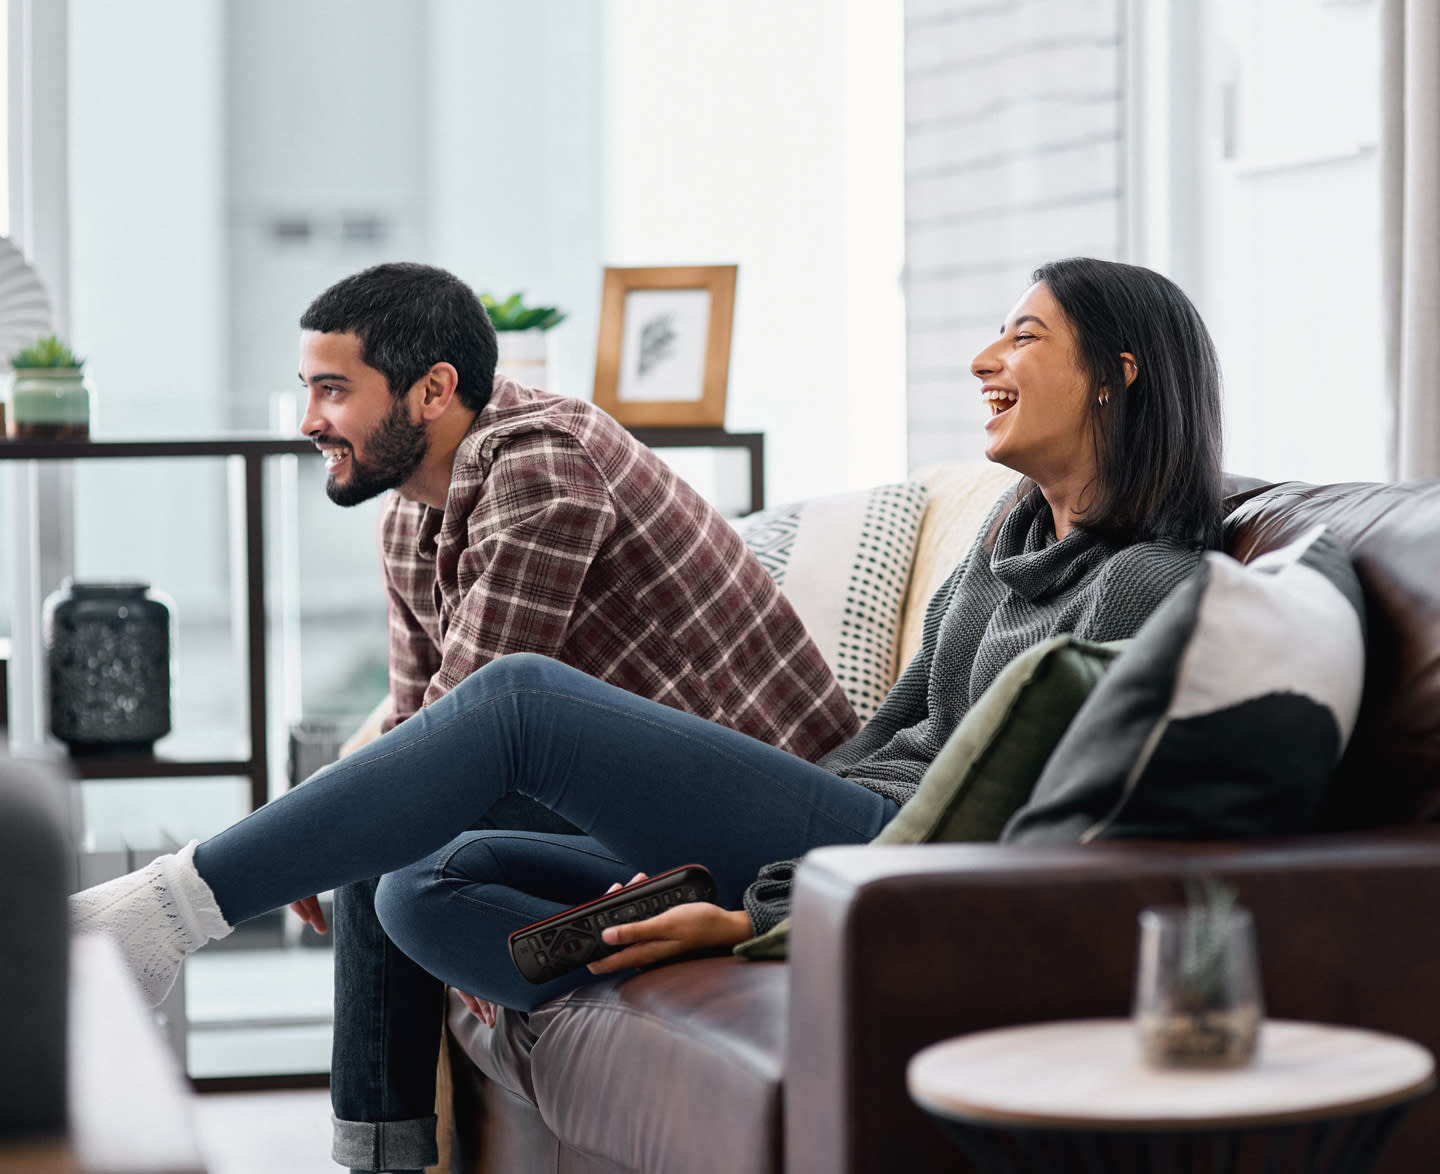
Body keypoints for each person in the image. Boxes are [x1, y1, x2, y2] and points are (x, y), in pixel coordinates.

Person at [72, 256, 1224, 1172]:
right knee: (417, 880)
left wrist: (766, 916)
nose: (985, 358)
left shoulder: (1149, 585)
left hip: (877, 859)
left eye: (1023, 336)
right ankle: (369, 1144)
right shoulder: (1005, 542)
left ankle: (170, 912)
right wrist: (719, 877)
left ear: (1119, 375)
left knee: (517, 702)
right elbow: (889, 739)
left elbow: (1039, 834)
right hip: (828, 823)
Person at [256, 261, 865, 1173]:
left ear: (433, 390)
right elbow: (420, 730)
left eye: (335, 391)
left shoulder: (544, 462)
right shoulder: (405, 523)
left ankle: (379, 1158)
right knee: (386, 854)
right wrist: (330, 824)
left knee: (381, 826)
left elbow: (455, 747)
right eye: (309, 391)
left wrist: (322, 832)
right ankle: (381, 1157)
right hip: (621, 823)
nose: (311, 422)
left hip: (751, 816)